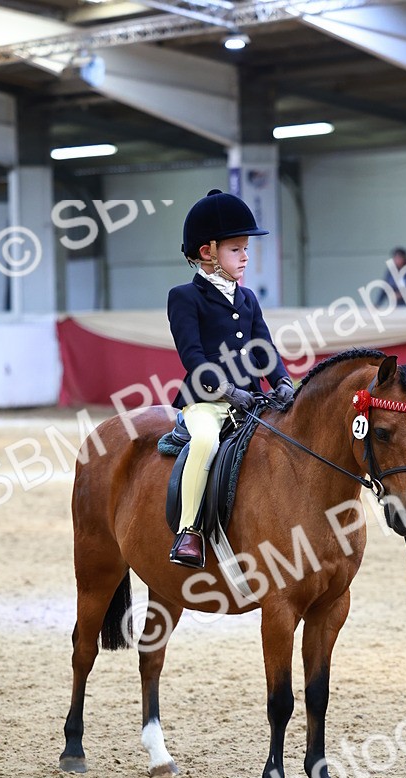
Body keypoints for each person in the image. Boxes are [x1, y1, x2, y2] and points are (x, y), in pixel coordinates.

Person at [166, 189, 294, 568]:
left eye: (246, 249)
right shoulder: (185, 297)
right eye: (236, 249)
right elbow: (193, 358)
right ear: (208, 252)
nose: (245, 257)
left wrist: (283, 382)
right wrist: (226, 391)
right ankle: (189, 531)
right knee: (205, 443)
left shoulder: (248, 298)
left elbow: (264, 348)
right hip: (206, 402)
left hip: (252, 400)